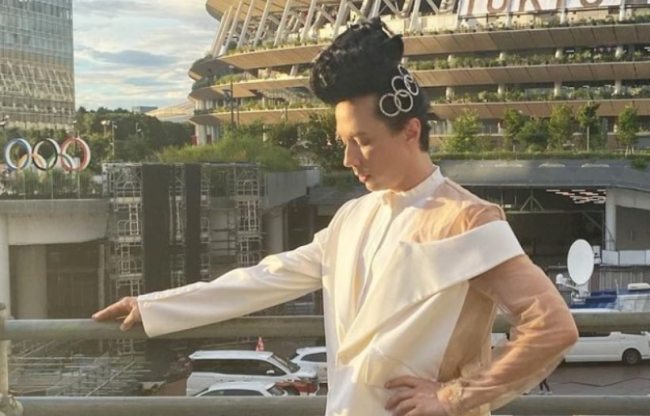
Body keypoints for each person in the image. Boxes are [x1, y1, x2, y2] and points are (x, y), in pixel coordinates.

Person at [92, 18, 578, 416]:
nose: (349, 159)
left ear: (411, 131)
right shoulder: (353, 216)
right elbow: (265, 277)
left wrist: (453, 398)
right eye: (342, 142)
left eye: (362, 141)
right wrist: (154, 306)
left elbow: (553, 327)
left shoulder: (467, 218)